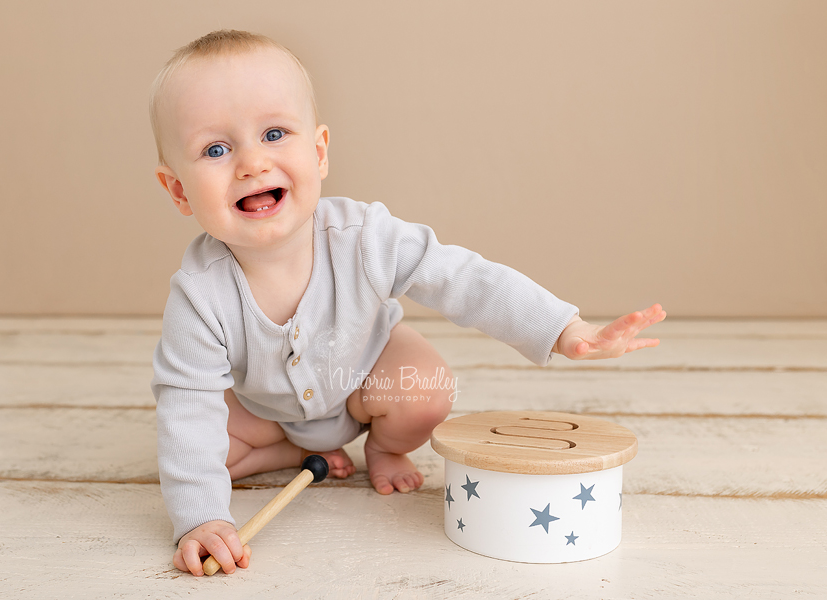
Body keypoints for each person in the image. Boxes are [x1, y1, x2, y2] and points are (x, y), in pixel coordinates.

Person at [149, 29, 666, 577]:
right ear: (179, 190)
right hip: (264, 411)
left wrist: (564, 328)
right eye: (216, 149)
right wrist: (201, 518)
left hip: (367, 382)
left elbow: (467, 280)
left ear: (318, 151)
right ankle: (293, 452)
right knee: (194, 445)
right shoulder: (199, 295)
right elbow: (187, 405)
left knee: (424, 388)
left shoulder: (365, 237)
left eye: (274, 133)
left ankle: (384, 449)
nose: (252, 163)